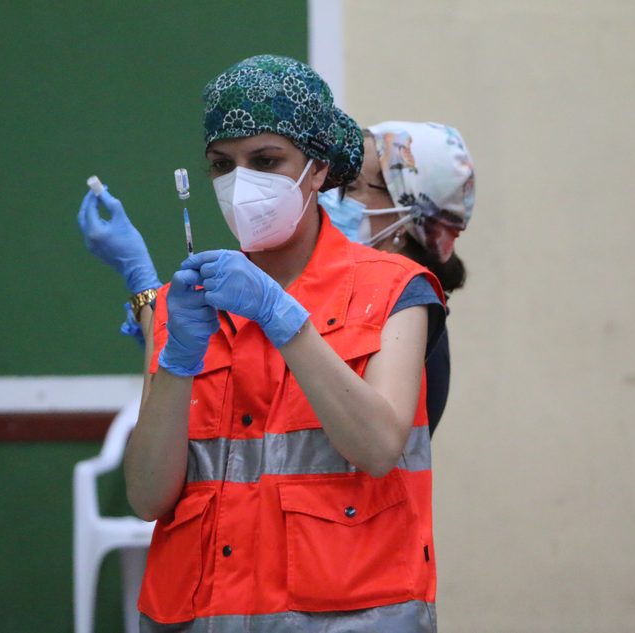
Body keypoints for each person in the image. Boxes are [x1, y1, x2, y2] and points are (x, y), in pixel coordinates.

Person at [81, 55, 442, 631]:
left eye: (266, 160)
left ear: (318, 169)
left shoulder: (393, 289)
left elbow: (377, 447)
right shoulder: (191, 304)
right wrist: (174, 361)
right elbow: (148, 497)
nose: (239, 183)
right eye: (222, 165)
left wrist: (283, 318)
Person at [319, 122, 475, 433]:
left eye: (350, 187)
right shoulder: (352, 298)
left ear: (407, 216)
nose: (325, 197)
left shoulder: (411, 323)